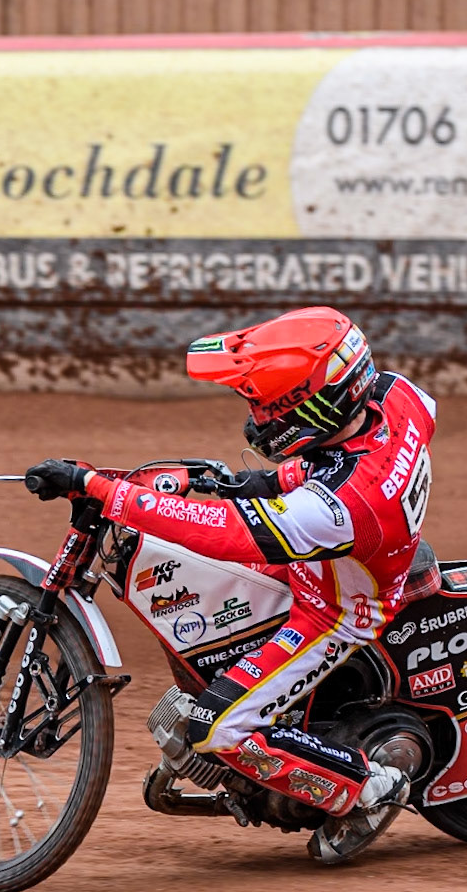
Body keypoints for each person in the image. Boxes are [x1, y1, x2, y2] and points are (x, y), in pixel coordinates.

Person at [24, 305, 436, 863]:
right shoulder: (395, 397)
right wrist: (232, 480)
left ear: (313, 407)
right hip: (335, 554)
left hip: (335, 610)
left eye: (266, 405)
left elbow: (227, 534)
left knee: (218, 727)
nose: (256, 416)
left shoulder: (341, 506)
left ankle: (370, 791)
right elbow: (340, 460)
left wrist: (104, 490)